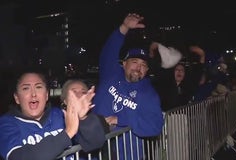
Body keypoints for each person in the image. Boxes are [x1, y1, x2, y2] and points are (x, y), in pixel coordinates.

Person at [92, 13, 164, 159]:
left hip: (126, 153)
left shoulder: (149, 94)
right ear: (124, 64)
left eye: (144, 65)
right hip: (94, 147)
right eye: (135, 62)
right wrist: (124, 28)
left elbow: (155, 126)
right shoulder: (110, 73)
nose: (139, 68)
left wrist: (120, 119)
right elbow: (109, 51)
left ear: (147, 70)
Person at [0, 68, 106, 160]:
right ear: (17, 98)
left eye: (38, 87)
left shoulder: (61, 114)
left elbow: (96, 143)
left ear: (46, 95)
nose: (33, 94)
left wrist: (83, 119)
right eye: (25, 88)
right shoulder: (6, 124)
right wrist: (67, 133)